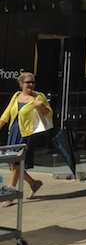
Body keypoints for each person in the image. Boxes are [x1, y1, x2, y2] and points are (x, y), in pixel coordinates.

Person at [0, 72, 52, 206]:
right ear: (21, 84)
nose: (31, 85)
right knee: (14, 164)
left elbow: (49, 113)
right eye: (28, 82)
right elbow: (6, 114)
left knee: (16, 162)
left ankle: (10, 195)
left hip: (27, 133)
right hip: (14, 131)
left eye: (33, 82)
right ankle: (34, 183)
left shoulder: (39, 97)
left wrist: (40, 106)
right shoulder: (17, 96)